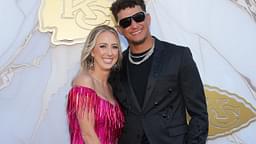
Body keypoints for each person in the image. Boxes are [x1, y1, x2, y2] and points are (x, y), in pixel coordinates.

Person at [109, 0, 209, 144]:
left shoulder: (178, 56)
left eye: (138, 17)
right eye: (126, 22)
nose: (134, 25)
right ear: (119, 30)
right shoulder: (116, 67)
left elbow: (199, 114)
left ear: (148, 19)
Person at [66, 25, 124, 144]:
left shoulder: (110, 87)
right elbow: (88, 135)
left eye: (114, 47)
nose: (109, 53)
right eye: (103, 46)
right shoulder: (85, 81)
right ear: (92, 51)